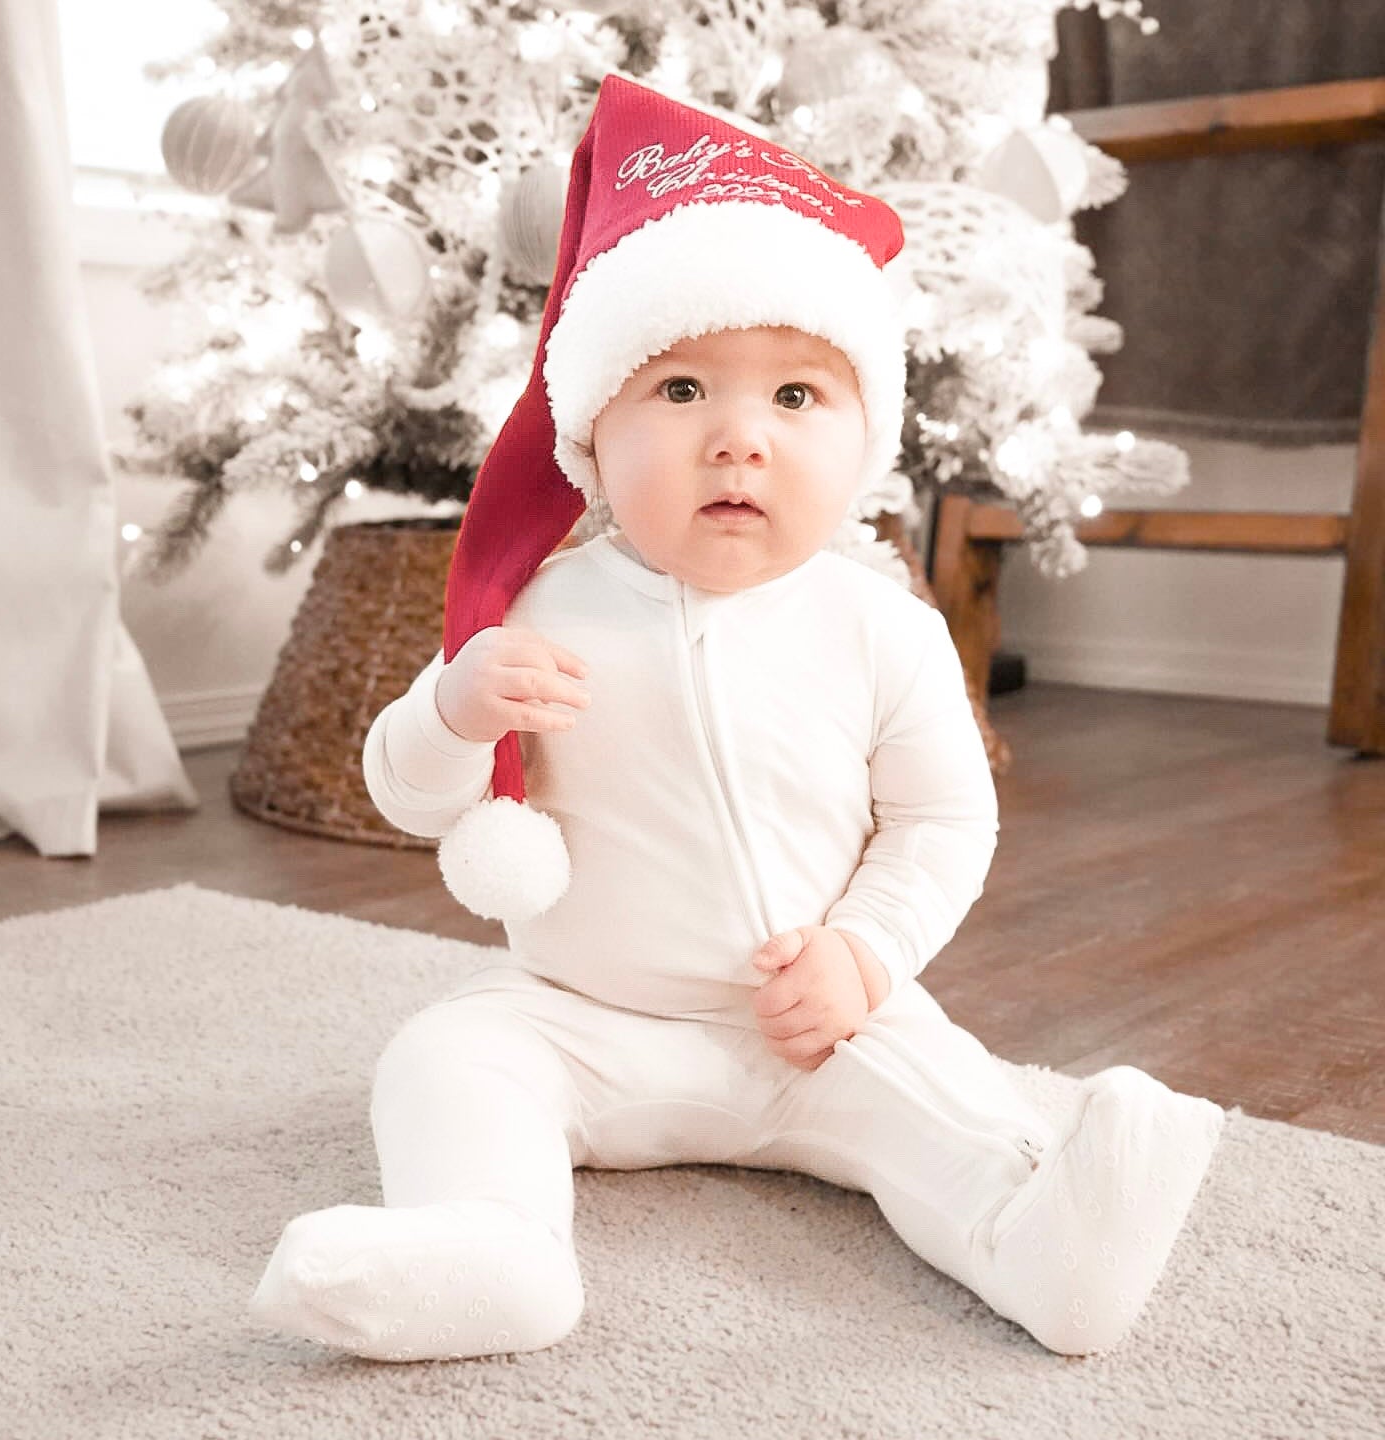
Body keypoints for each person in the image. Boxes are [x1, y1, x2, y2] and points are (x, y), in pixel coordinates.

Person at [250, 74, 1223, 1362]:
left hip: (811, 1026)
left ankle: (1048, 1247)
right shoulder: (535, 605)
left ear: (864, 441)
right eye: (683, 391)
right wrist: (453, 703)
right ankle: (495, 1247)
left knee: (949, 1100)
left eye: (796, 400)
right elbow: (410, 790)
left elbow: (942, 818)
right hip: (589, 1020)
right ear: (596, 434)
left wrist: (865, 957)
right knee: (448, 1053)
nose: (738, 442)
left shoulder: (881, 625)